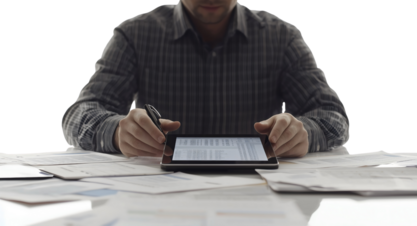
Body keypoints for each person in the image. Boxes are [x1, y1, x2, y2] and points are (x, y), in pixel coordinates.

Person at [61, 0, 350, 159]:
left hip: (258, 196)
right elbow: (78, 114)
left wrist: (305, 134)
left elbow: (333, 116)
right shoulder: (135, 34)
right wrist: (116, 132)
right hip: (156, 198)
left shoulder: (281, 36)